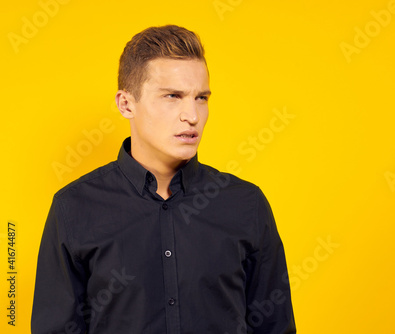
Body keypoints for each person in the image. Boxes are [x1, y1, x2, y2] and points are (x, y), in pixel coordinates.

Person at [31, 24, 296, 334]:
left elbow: (274, 326)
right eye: (173, 96)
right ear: (126, 104)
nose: (192, 116)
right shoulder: (74, 208)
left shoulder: (246, 204)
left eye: (201, 98)